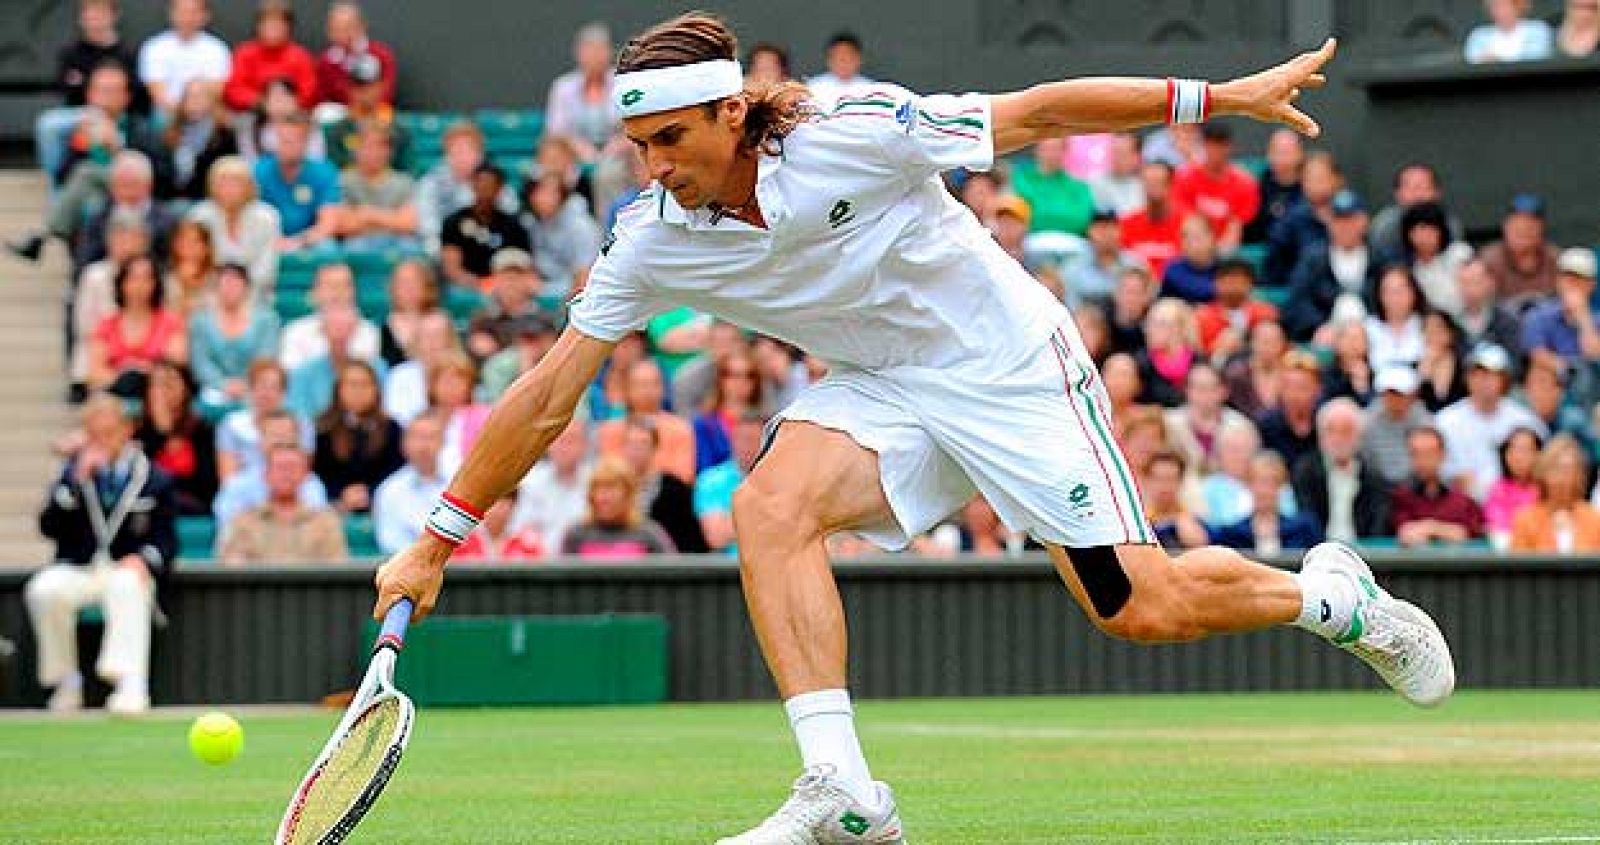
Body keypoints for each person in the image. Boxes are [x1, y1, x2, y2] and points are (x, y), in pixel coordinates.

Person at [370, 17, 1450, 843]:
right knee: (769, 502)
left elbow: (1036, 113)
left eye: (670, 140)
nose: (653, 166)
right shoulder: (651, 240)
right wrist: (438, 535)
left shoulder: (856, 134)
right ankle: (844, 791)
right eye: (637, 145)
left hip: (1007, 368)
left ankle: (1334, 599)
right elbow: (549, 391)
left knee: (1141, 607)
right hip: (882, 387)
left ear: (732, 114)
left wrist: (1218, 95)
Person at [27, 394, 177, 714]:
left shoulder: (154, 477)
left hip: (125, 570)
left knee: (128, 584)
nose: (102, 441)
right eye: (95, 434)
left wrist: (144, 559)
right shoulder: (70, 475)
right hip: (81, 568)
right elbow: (49, 526)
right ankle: (66, 681)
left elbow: (166, 540)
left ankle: (130, 683)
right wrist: (74, 483)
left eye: (109, 432)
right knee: (44, 589)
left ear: (127, 431)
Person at [10, 65, 169, 264]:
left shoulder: (140, 128)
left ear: (126, 97)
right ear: (90, 95)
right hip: (99, 198)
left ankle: (42, 237)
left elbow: (162, 172)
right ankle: (82, 271)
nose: (106, 97)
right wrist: (81, 147)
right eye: (101, 91)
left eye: (112, 91)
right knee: (89, 206)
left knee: (87, 173)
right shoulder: (81, 131)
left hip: (137, 194)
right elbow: (62, 176)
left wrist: (118, 146)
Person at [37, 0, 145, 193]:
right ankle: (57, 193)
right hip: (80, 114)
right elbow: (64, 89)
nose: (94, 19)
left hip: (120, 115)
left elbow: (137, 93)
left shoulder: (127, 53)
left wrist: (107, 105)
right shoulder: (71, 52)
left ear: (114, 16)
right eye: (89, 14)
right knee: (48, 124)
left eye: (100, 13)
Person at [1435, 344, 1547, 500]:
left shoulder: (1524, 420)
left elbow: (1541, 464)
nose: (1484, 382)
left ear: (1504, 380)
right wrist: (1455, 476)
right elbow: (1437, 466)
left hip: (1514, 504)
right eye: (1478, 374)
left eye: (1492, 375)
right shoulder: (1446, 420)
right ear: (1468, 378)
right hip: (1461, 503)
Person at [218, 443, 348, 565]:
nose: (286, 474)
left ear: (305, 475)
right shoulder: (244, 521)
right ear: (266, 474)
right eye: (280, 467)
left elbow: (337, 567)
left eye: (293, 467)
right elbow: (232, 566)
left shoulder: (326, 522)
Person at [1281, 188, 1378, 342]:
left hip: (1374, 333)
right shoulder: (1312, 259)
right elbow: (1299, 299)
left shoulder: (1379, 257)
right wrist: (1318, 325)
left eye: (1351, 219)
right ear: (1329, 222)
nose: (1345, 227)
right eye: (1339, 220)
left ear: (1364, 221)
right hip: (1327, 334)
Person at [1291, 397, 1392, 544]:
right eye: (1331, 431)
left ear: (1359, 436)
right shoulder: (1306, 472)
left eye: (1346, 431)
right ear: (1320, 436)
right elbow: (1306, 520)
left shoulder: (1372, 475)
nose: (1338, 439)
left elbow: (1378, 526)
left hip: (1365, 555)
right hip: (1317, 552)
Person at [189, 263, 279, 417]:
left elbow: (267, 356)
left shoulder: (267, 319)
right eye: (225, 282)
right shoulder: (200, 321)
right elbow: (201, 361)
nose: (229, 288)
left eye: (235, 282)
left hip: (255, 387)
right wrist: (223, 384)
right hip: (215, 390)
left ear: (247, 287)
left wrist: (247, 383)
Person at [313, 360, 404, 513]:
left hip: (382, 507)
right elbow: (320, 474)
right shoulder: (323, 430)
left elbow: (397, 473)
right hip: (334, 507)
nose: (358, 391)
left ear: (376, 389)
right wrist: (342, 495)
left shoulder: (392, 429)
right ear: (339, 389)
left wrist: (370, 492)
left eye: (365, 384)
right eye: (352, 385)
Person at [413, 121, 517, 252]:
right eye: (457, 151)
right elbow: (428, 227)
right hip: (444, 251)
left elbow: (510, 219)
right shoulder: (430, 183)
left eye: (469, 151)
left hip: (491, 249)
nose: (463, 158)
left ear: (480, 154)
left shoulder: (497, 183)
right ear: (446, 155)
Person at [88, 255, 188, 391]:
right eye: (133, 278)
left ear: (155, 283)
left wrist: (144, 369)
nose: (139, 285)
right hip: (118, 392)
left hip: (159, 391)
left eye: (146, 279)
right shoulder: (106, 326)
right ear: (122, 283)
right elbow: (96, 373)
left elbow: (177, 361)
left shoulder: (171, 323)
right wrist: (126, 374)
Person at [211, 407, 325, 526]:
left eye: (286, 435)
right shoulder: (237, 486)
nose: (280, 441)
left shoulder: (311, 485)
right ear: (260, 441)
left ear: (297, 440)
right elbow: (229, 532)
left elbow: (318, 531)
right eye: (274, 435)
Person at [186, 155, 281, 290]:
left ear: (249, 187)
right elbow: (196, 262)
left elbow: (267, 267)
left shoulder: (267, 217)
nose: (229, 189)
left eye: (235, 183)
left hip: (255, 293)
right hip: (208, 292)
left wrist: (237, 289)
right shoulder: (200, 216)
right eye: (222, 183)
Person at [594, 359, 697, 484]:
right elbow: (609, 473)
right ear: (627, 388)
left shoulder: (681, 428)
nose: (648, 390)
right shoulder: (610, 430)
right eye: (642, 384)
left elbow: (684, 475)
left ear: (663, 388)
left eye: (654, 383)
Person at [136, 361, 218, 515]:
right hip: (150, 506)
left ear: (185, 388)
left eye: (169, 382)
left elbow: (208, 485)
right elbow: (139, 479)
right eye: (156, 384)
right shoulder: (140, 432)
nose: (162, 391)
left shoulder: (202, 431)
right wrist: (161, 429)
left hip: (192, 503)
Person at [620, 416, 709, 553]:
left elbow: (691, 541)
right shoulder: (611, 487)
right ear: (623, 448)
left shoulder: (675, 489)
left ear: (655, 448)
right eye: (631, 444)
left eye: (643, 443)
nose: (636, 451)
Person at [254, 113, 340, 253]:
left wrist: (298, 242)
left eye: (293, 140)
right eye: (282, 140)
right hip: (268, 239)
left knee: (327, 248)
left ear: (306, 142)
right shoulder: (259, 171)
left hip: (308, 241)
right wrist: (273, 240)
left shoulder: (323, 172)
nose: (286, 146)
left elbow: (328, 223)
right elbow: (251, 216)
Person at [1206, 452, 1322, 554]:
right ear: (1248, 485)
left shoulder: (1303, 529)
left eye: (1271, 482)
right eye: (1258, 482)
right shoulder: (1231, 534)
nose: (1264, 490)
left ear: (1281, 486)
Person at [559, 455, 676, 558]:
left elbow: (672, 574)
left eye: (611, 489)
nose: (604, 498)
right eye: (598, 489)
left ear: (628, 494)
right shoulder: (576, 534)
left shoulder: (649, 534)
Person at [215, 361, 313, 481]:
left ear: (284, 393)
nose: (266, 393)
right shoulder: (231, 425)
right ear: (250, 389)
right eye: (261, 386)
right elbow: (228, 479)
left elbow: (303, 473)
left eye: (274, 387)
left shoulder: (302, 424)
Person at [327, 124, 419, 251]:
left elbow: (409, 223)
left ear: (389, 152)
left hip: (396, 241)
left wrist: (368, 214)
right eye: (367, 146)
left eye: (380, 147)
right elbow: (342, 225)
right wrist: (391, 219)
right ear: (356, 150)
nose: (374, 153)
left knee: (411, 249)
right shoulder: (343, 180)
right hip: (357, 242)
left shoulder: (404, 182)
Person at [1391, 427, 1485, 548]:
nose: (1422, 460)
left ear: (1442, 454)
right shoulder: (1399, 497)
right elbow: (1405, 533)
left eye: (1429, 453)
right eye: (1415, 453)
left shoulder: (1461, 500)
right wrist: (1445, 531)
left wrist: (1430, 527)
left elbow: (1468, 534)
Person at [440, 164, 531, 290]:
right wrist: (480, 284)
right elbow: (452, 269)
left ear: (500, 188)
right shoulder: (453, 222)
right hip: (468, 287)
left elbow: (522, 265)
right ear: (472, 185)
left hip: (504, 287)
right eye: (480, 182)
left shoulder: (514, 226)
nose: (484, 189)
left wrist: (499, 284)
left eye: (490, 184)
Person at [1171, 123, 1258, 252]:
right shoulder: (1185, 177)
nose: (1216, 151)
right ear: (1204, 145)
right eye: (1211, 144)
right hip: (1191, 246)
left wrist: (1217, 255)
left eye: (1221, 145)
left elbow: (1235, 228)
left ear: (1229, 147)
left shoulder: (1245, 183)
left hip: (1225, 251)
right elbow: (1187, 221)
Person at [278, 262, 380, 372]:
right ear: (315, 292)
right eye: (331, 286)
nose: (338, 292)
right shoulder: (294, 331)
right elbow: (291, 375)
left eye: (344, 286)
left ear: (354, 292)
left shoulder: (368, 331)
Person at [137, 0, 231, 118]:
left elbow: (215, 91)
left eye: (194, 12)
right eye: (182, 11)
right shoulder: (153, 47)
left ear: (205, 16)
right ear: (171, 14)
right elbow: (157, 94)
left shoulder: (217, 49)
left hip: (205, 111)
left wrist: (195, 110)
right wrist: (182, 115)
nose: (187, 17)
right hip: (167, 113)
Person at [372, 411, 449, 554]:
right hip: (407, 569)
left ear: (443, 442)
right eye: (418, 437)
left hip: (459, 568)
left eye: (431, 437)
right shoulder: (389, 490)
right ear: (404, 443)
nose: (424, 445)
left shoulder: (459, 484)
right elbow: (389, 542)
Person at [545, 23, 621, 163]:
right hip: (573, 155)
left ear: (610, 52)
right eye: (589, 50)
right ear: (579, 53)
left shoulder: (623, 83)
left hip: (619, 155)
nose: (595, 56)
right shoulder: (563, 86)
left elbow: (633, 124)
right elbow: (556, 129)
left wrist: (616, 147)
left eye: (600, 50)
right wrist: (580, 147)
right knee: (552, 149)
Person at [1265, 150, 1343, 287]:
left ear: (1336, 179)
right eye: (1309, 179)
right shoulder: (1289, 221)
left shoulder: (1349, 215)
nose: (1315, 185)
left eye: (1320, 178)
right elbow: (1275, 267)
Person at [1510, 434, 1600, 551]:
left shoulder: (1594, 519)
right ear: (1543, 474)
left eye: (1570, 470)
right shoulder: (1526, 519)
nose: (1563, 478)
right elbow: (1518, 565)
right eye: (1557, 469)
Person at [223, 1, 317, 113]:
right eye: (268, 24)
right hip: (253, 112)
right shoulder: (244, 53)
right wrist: (261, 102)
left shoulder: (300, 55)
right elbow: (234, 89)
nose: (273, 29)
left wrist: (287, 103)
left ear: (288, 27)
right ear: (258, 26)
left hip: (292, 113)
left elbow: (309, 90)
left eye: (278, 25)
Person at [520, 172, 602, 297]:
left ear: (563, 196)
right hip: (546, 284)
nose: (542, 198)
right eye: (538, 192)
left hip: (580, 291)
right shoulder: (532, 223)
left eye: (550, 193)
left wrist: (545, 289)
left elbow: (586, 276)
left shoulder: (582, 227)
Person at [697, 412, 768, 554]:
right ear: (731, 441)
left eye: (754, 439)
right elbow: (717, 537)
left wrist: (731, 521)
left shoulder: (782, 480)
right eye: (741, 439)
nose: (746, 446)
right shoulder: (710, 480)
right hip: (729, 571)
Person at [1163, 363, 1252, 476]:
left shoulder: (1241, 426)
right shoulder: (1169, 423)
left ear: (1224, 391)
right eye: (1199, 388)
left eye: (1211, 388)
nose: (1204, 394)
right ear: (1187, 390)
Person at [1520, 247, 1600, 367]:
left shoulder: (1597, 319)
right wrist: (1573, 369)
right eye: (1566, 277)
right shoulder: (1538, 316)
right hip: (1554, 382)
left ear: (1591, 285)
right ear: (1557, 280)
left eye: (1578, 279)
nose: (1571, 284)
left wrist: (1583, 317)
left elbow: (1595, 355)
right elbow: (1538, 356)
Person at [1478, 193, 1560, 309]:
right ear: (1505, 226)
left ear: (1541, 228)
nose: (1522, 230)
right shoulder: (1489, 260)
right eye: (1516, 225)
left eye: (1530, 225)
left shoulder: (1555, 258)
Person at [1369, 164, 1463, 263]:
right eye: (1410, 188)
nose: (1418, 194)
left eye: (1424, 187)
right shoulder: (1384, 227)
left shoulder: (1450, 225)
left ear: (1437, 193)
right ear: (1397, 194)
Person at [692, 347, 765, 474]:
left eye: (749, 375)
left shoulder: (767, 422)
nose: (741, 381)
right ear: (720, 378)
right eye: (732, 374)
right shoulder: (704, 424)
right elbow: (703, 468)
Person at [1360, 366, 1432, 486]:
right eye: (1387, 393)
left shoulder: (1426, 423)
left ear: (1413, 394)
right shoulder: (1368, 420)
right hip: (1378, 486)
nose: (1393, 399)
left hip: (1415, 487)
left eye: (1398, 394)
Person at [315, 2, 397, 109]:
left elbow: (387, 93)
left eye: (348, 28)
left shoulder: (381, 55)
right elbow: (323, 98)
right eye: (336, 29)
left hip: (375, 115)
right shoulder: (325, 61)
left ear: (362, 27)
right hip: (342, 116)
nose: (342, 35)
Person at [466, 248, 545, 358]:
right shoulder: (482, 317)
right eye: (505, 277)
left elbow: (548, 353)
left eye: (516, 277)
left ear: (527, 280)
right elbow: (474, 350)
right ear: (495, 280)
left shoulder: (541, 318)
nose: (510, 283)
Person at [1010, 136, 1094, 235]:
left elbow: (1081, 220)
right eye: (1047, 148)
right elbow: (1021, 217)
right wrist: (1062, 213)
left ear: (1065, 152)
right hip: (1030, 240)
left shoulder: (1079, 186)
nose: (1052, 154)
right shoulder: (1021, 180)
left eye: (1056, 149)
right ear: (1037, 150)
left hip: (1072, 242)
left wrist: (1043, 212)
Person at [1402, 203, 1473, 318]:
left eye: (1432, 230)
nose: (1425, 236)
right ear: (1409, 234)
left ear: (1441, 231)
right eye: (1420, 230)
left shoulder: (1460, 253)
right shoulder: (1409, 271)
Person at [1194, 258, 1277, 358]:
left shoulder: (1265, 313)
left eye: (1238, 278)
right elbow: (1198, 354)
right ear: (1216, 283)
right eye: (1226, 278)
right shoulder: (1203, 316)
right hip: (1214, 367)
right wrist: (1218, 347)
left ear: (1250, 283)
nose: (1232, 284)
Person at [1258, 350, 1324, 470]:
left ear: (1317, 389)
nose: (1294, 395)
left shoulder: (1325, 421)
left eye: (1302, 388)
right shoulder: (1266, 425)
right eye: (1288, 387)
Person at [1482, 427, 1543, 549]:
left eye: (1526, 450)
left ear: (1539, 454)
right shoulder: (1497, 489)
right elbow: (1497, 526)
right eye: (1514, 450)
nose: (1519, 456)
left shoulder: (1547, 489)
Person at [1134, 298, 1200, 407]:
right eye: (1148, 323)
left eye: (1158, 324)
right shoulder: (1141, 362)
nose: (1148, 330)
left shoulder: (1197, 362)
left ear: (1179, 328)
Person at [1243, 128, 1303, 245]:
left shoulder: (1308, 187)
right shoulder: (1257, 183)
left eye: (1286, 152)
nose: (1280, 158)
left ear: (1299, 154)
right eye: (1275, 151)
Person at [379, 259, 444, 367]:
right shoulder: (384, 328)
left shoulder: (440, 321)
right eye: (403, 282)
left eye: (414, 281)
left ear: (426, 285)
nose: (409, 288)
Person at [1456, 257, 1523, 359]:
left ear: (1490, 283)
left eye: (1474, 282)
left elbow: (1514, 361)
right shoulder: (1451, 321)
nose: (1468, 289)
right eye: (1464, 283)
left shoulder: (1507, 321)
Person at [1222, 319, 1289, 418]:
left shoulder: (1291, 375)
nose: (1268, 347)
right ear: (1252, 343)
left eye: (1274, 342)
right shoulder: (1236, 374)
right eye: (1264, 341)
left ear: (1283, 344)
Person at [1142, 449, 1208, 550]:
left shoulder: (1191, 522)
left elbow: (1202, 547)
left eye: (1170, 479)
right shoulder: (1134, 522)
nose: (1164, 486)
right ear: (1146, 480)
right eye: (1158, 478)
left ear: (1180, 482)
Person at [453, 490, 546, 561]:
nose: (497, 507)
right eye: (492, 501)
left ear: (513, 504)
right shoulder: (461, 541)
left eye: (504, 500)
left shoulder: (529, 543)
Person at [1365, 265, 1426, 372]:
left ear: (1414, 292)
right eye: (1388, 291)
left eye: (1400, 290)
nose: (1395, 298)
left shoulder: (1428, 325)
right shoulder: (1368, 327)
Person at [1465, 0, 1556, 63]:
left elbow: (1537, 60)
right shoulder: (1478, 36)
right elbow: (1470, 63)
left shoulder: (1538, 30)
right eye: (1495, 6)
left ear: (1517, 6)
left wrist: (1499, 62)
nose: (1500, 11)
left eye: (1504, 5)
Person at [805, 31, 875, 107]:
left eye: (848, 57)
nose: (843, 62)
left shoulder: (872, 89)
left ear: (859, 59)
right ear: (829, 60)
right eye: (838, 57)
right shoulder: (813, 87)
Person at [1086, 132, 1144, 218]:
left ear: (1136, 157)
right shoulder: (1094, 182)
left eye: (1122, 154)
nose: (1116, 158)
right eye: (1114, 152)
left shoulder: (1144, 185)